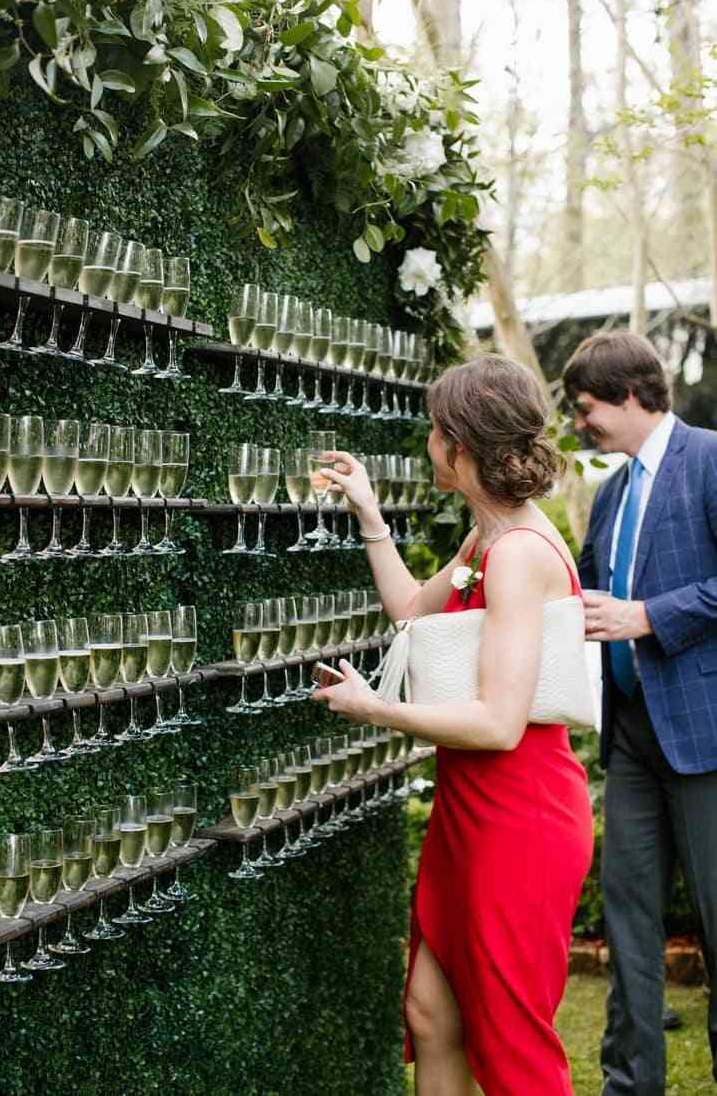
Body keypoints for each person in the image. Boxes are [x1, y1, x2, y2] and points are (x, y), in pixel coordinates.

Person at [314, 354, 594, 1096]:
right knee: (433, 1013)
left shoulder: (519, 555)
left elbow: (502, 722)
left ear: (459, 445)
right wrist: (371, 515)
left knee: (512, 1045)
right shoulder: (485, 539)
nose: (427, 443)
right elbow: (411, 610)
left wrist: (376, 708)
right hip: (468, 810)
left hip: (520, 818)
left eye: (434, 430)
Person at [563, 331, 717, 1095]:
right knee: (628, 934)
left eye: (586, 409)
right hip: (628, 745)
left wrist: (646, 616)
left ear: (627, 395)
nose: (581, 424)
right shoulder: (611, 491)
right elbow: (581, 593)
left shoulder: (712, 459)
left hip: (706, 740)